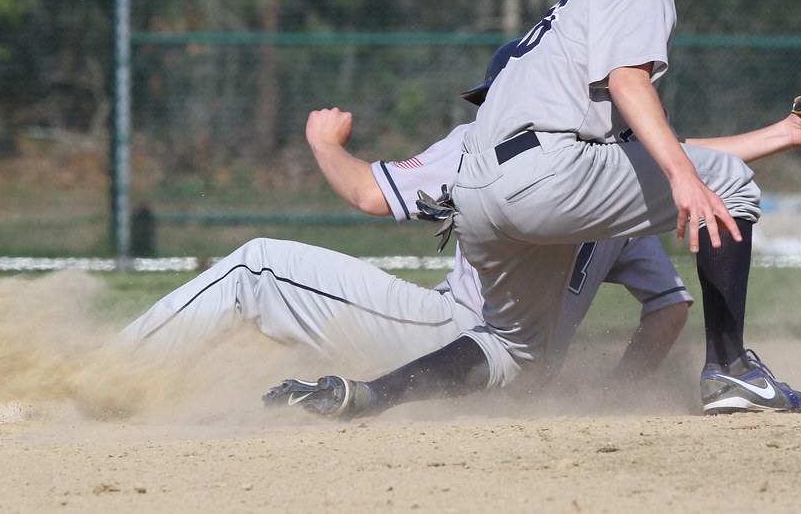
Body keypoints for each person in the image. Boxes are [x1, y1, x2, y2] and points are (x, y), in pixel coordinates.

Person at [266, 0, 801, 418]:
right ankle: (729, 369)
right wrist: (685, 178)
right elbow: (631, 84)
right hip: (550, 171)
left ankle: (373, 395)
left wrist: (786, 132)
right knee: (731, 185)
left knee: (513, 347)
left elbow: (663, 144)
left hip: (480, 190)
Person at [120, 42, 694, 394]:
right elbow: (669, 309)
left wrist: (323, 144)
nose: (490, 110)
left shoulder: (491, 144)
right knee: (301, 333)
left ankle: (105, 376)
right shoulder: (617, 182)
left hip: (456, 338)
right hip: (520, 373)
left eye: (495, 99)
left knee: (258, 270)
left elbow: (369, 193)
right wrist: (617, 395)